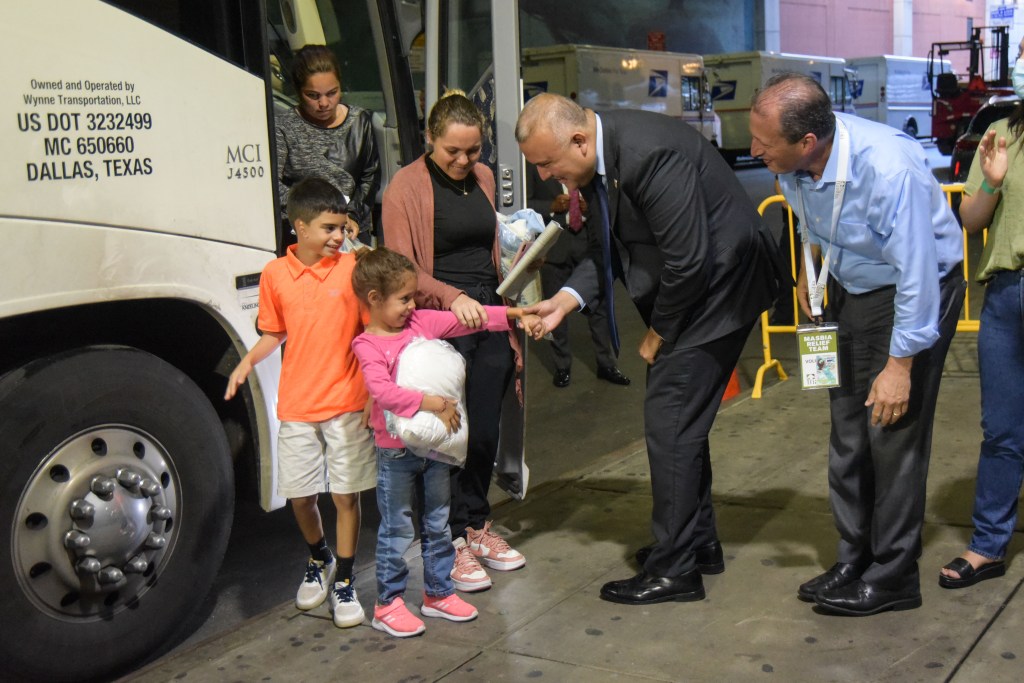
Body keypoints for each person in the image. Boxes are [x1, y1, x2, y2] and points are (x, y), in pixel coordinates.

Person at [516, 93, 783, 605]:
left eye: (547, 164)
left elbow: (688, 259)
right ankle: (695, 544)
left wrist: (659, 331)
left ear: (579, 140)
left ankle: (676, 568)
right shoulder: (600, 157)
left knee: (670, 425)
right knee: (680, 427)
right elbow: (608, 248)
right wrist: (565, 303)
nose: (547, 176)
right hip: (702, 289)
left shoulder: (647, 155)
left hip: (719, 290)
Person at [749, 73, 966, 615]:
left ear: (807, 142)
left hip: (913, 291)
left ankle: (893, 575)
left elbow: (918, 270)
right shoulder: (794, 166)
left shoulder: (888, 169)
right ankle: (854, 556)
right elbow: (810, 221)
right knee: (847, 428)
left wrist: (900, 365)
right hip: (847, 286)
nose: (753, 151)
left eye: (764, 143)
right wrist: (811, 269)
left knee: (891, 431)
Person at [350, 247, 542, 637]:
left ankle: (438, 593)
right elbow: (384, 393)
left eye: (412, 297)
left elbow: (469, 321)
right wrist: (432, 403)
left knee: (438, 524)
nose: (411, 305)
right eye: (403, 298)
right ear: (374, 299)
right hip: (396, 450)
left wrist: (514, 314)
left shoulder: (421, 322)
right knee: (398, 529)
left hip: (436, 448)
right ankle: (388, 604)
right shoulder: (367, 345)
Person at [383, 90, 527, 593]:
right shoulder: (404, 188)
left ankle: (474, 523)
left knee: (485, 428)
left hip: (486, 313)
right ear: (429, 139)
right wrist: (451, 295)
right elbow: (403, 269)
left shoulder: (483, 178)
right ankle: (445, 540)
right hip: (438, 319)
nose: (466, 161)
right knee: (445, 435)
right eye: (453, 152)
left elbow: (492, 242)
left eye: (474, 150)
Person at [224, 178, 376, 629]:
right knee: (300, 495)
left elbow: (371, 335)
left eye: (342, 227)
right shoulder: (274, 275)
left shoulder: (352, 269)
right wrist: (245, 363)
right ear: (300, 228)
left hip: (347, 402)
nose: (338, 236)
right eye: (329, 228)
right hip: (297, 406)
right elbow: (274, 332)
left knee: (347, 495)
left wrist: (371, 393)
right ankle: (319, 557)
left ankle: (345, 580)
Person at [939, 37, 1024, 591]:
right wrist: (990, 179)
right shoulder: (1003, 133)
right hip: (1008, 296)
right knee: (1002, 431)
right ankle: (988, 545)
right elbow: (971, 220)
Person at [525, 162, 630, 388]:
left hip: (589, 243)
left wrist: (589, 207)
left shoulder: (584, 161)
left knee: (599, 310)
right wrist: (551, 206)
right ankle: (562, 366)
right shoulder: (535, 166)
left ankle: (607, 364)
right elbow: (524, 203)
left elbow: (607, 198)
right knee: (554, 310)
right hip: (555, 247)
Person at [276, 44, 380, 245]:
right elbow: (274, 185)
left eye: (332, 93)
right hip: (303, 235)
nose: (324, 103)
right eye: (313, 96)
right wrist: (320, 214)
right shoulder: (284, 127)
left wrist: (351, 215)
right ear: (298, 92)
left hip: (351, 230)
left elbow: (370, 177)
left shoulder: (360, 121)